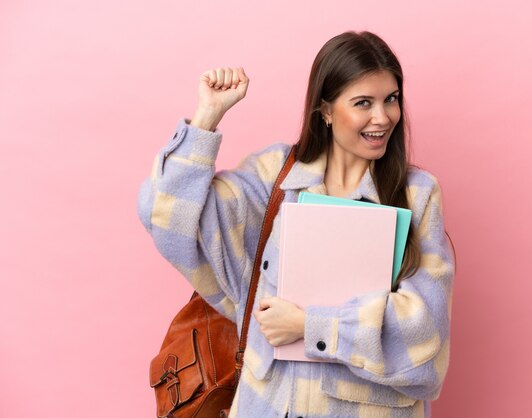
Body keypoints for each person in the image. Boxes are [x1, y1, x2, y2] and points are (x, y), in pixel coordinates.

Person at [138, 31, 455, 418]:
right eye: (363, 103)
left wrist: (311, 326)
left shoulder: (418, 194)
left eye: (391, 99)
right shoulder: (273, 178)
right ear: (325, 110)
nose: (383, 116)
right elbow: (166, 215)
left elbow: (425, 335)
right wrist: (206, 119)